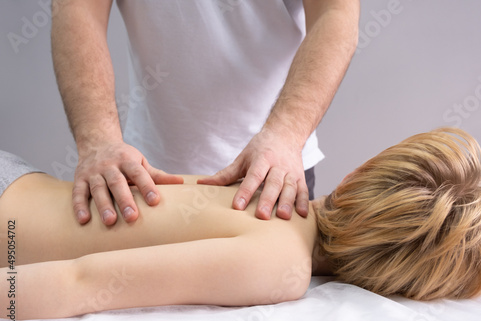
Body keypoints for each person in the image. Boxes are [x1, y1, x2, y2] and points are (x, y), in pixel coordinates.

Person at [1, 128, 481, 320]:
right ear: (405, 286)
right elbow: (81, 282)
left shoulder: (274, 185)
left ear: (353, 178)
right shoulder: (277, 264)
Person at [50, 0, 360, 225]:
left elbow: (336, 12)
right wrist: (98, 141)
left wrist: (286, 134)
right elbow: (77, 9)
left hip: (274, 170)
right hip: (139, 176)